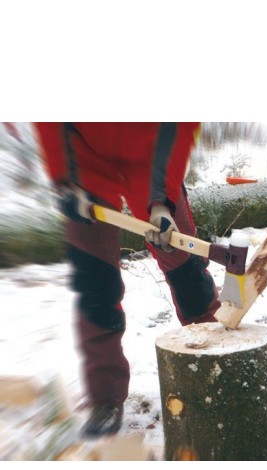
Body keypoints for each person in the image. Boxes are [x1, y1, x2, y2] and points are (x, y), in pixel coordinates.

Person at [32, 122, 220, 437]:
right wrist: (67, 181)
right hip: (86, 159)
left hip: (153, 158)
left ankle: (215, 365)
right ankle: (105, 398)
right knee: (95, 284)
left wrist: (162, 201)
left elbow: (179, 126)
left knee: (186, 270)